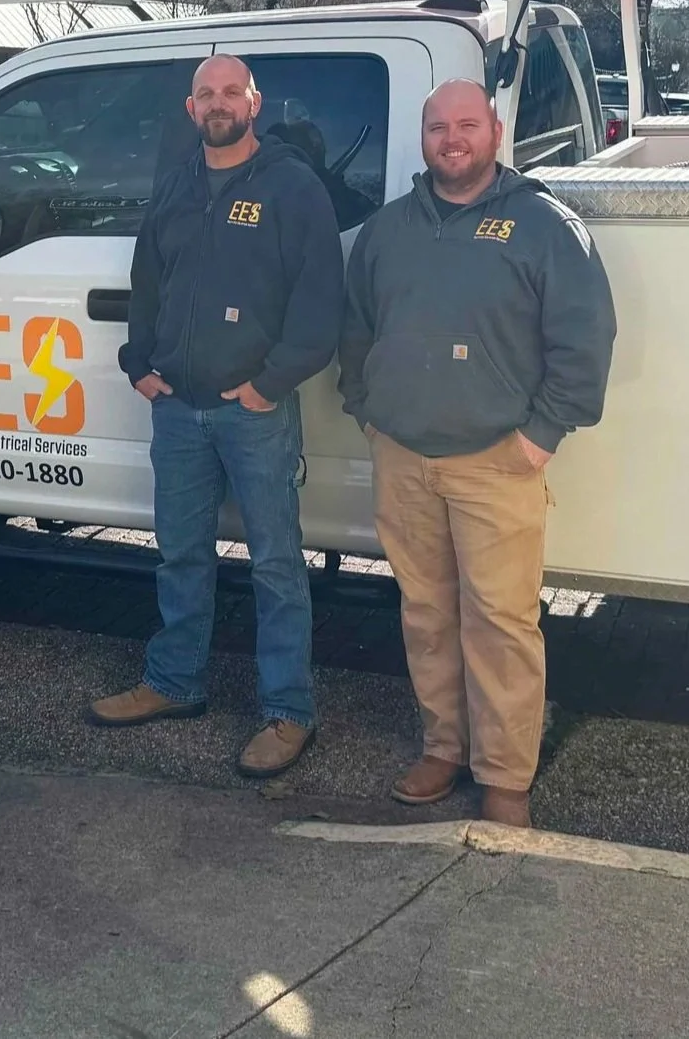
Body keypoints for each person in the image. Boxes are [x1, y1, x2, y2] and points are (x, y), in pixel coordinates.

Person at [339, 78, 616, 827]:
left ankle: (504, 778)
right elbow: (356, 330)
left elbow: (585, 339)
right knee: (426, 613)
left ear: (495, 131)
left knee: (499, 621)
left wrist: (542, 432)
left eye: (466, 125)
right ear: (423, 139)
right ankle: (443, 748)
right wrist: (368, 412)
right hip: (404, 458)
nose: (451, 139)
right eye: (438, 128)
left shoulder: (544, 226)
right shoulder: (389, 230)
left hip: (498, 460)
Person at [90, 54, 345, 779]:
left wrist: (270, 384)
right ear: (190, 109)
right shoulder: (177, 185)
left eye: (232, 90)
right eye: (206, 93)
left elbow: (320, 302)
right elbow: (147, 281)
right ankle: (174, 682)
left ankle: (289, 710)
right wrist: (139, 364)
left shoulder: (294, 187)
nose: (219, 102)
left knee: (274, 563)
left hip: (253, 411)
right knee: (180, 553)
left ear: (255, 101)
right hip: (176, 408)